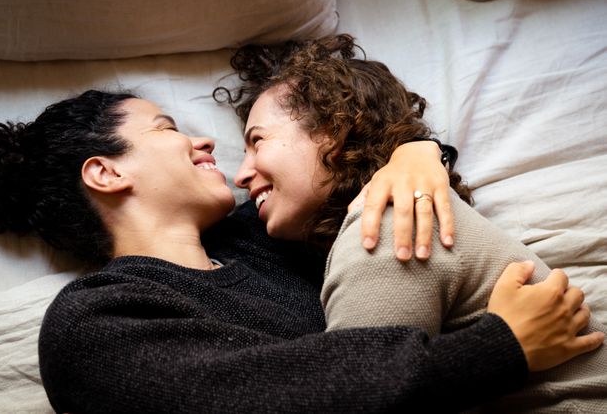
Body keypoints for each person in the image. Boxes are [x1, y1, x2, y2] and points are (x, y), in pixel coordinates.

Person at [0, 90, 601, 413]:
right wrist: (499, 350)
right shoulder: (93, 324)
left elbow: (341, 170)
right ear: (105, 174)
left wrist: (418, 155)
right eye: (166, 128)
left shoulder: (261, 238)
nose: (205, 142)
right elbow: (277, 400)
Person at [223, 34, 607, 412]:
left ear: (332, 133)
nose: (240, 175)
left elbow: (362, 399)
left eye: (258, 141)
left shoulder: (387, 227)